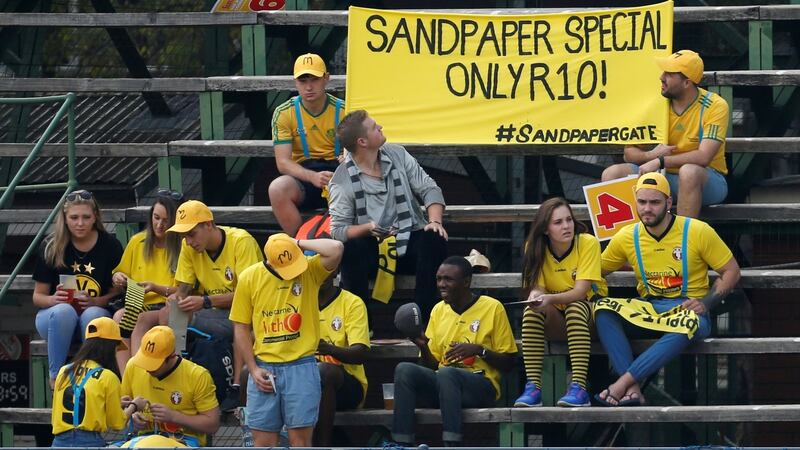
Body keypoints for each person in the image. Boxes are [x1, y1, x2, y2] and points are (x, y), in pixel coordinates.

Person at [594, 172, 740, 406]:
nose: (647, 209)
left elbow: (731, 271)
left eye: (655, 202)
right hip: (650, 308)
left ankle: (621, 384)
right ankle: (632, 389)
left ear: (669, 202)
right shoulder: (627, 236)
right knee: (602, 309)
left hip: (687, 310)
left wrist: (706, 303)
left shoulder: (697, 230)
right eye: (642, 202)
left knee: (690, 323)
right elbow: (595, 270)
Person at [131, 199, 263, 411]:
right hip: (214, 313)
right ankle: (172, 375)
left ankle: (236, 387)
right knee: (169, 312)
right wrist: (174, 298)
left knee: (241, 319)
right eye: (184, 235)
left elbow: (251, 296)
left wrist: (205, 301)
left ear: (208, 225)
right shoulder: (188, 247)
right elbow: (182, 289)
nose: (188, 241)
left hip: (251, 315)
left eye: (191, 234)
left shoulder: (241, 241)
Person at [329, 110, 448, 320]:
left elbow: (430, 188)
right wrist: (367, 228)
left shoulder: (398, 154)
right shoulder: (341, 180)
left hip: (407, 238)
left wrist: (435, 221)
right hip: (371, 248)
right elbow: (338, 230)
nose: (381, 127)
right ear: (362, 142)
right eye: (375, 127)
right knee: (349, 248)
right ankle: (361, 325)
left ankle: (423, 321)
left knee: (434, 239)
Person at [230, 233, 343, 447]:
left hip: (301, 366)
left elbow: (336, 247)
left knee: (300, 441)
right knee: (263, 443)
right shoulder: (249, 277)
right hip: (264, 367)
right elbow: (240, 327)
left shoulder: (309, 269)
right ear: (270, 261)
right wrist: (252, 368)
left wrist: (296, 242)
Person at [391, 256, 517, 446]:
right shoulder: (438, 310)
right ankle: (401, 444)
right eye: (439, 279)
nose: (442, 284)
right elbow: (432, 365)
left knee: (447, 373)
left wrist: (479, 350)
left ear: (466, 282)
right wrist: (423, 346)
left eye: (448, 279)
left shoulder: (492, 307)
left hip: (481, 387)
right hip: (444, 386)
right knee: (404, 369)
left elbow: (509, 363)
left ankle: (452, 444)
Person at [601, 50, 730, 218]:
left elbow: (704, 157)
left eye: (669, 74)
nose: (661, 77)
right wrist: (651, 155)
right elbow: (629, 153)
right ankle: (626, 241)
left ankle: (681, 240)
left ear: (687, 83)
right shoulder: (656, 105)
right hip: (662, 178)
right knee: (611, 174)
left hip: (706, 181)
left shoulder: (715, 105)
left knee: (689, 172)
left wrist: (660, 161)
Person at [513, 197, 607, 408]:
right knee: (531, 312)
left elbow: (581, 292)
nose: (566, 226)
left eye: (569, 220)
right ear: (545, 229)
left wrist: (549, 298)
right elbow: (538, 287)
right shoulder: (533, 246)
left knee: (575, 308)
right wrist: (536, 296)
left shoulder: (587, 242)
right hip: (557, 321)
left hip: (591, 317)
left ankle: (579, 388)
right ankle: (533, 388)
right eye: (558, 222)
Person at [32, 189, 123, 385]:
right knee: (64, 311)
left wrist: (96, 301)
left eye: (85, 217)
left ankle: (92, 378)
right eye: (74, 217)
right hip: (55, 320)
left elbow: (117, 292)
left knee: (93, 315)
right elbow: (37, 297)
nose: (80, 223)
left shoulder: (111, 246)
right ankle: (55, 378)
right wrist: (53, 299)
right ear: (64, 218)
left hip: (93, 314)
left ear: (95, 217)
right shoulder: (51, 245)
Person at [269, 52, 346, 235]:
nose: (309, 87)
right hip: (305, 177)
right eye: (303, 81)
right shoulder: (284, 113)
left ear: (326, 79)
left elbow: (360, 150)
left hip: (339, 175)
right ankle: (302, 246)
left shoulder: (344, 110)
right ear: (295, 82)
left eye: (314, 79)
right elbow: (283, 162)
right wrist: (312, 177)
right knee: (277, 189)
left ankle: (352, 244)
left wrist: (349, 159)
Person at [111, 189, 184, 372]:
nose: (159, 225)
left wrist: (156, 288)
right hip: (138, 302)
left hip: (168, 306)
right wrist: (118, 278)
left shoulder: (185, 245)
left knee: (140, 320)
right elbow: (119, 273)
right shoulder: (138, 242)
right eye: (156, 217)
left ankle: (140, 375)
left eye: (166, 220)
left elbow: (186, 291)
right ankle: (127, 377)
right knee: (119, 317)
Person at [51, 317, 144, 447]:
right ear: (110, 347)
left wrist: (108, 403)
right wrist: (135, 405)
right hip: (89, 442)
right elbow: (117, 423)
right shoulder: (108, 377)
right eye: (116, 349)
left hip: (59, 443)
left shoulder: (64, 371)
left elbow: (79, 401)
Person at [121, 325, 220, 446]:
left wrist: (174, 417)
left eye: (153, 364)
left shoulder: (197, 375)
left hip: (183, 440)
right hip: (140, 439)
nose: (147, 369)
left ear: (172, 356)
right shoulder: (133, 366)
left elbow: (212, 424)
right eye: (145, 360)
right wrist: (132, 416)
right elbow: (121, 412)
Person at [314, 272, 370, 446]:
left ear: (335, 268)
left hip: (347, 385)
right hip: (304, 380)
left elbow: (360, 353)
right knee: (250, 374)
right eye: (313, 267)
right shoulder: (298, 301)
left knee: (324, 371)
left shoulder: (352, 302)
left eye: (324, 266)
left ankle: (323, 447)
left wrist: (328, 349)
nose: (319, 271)